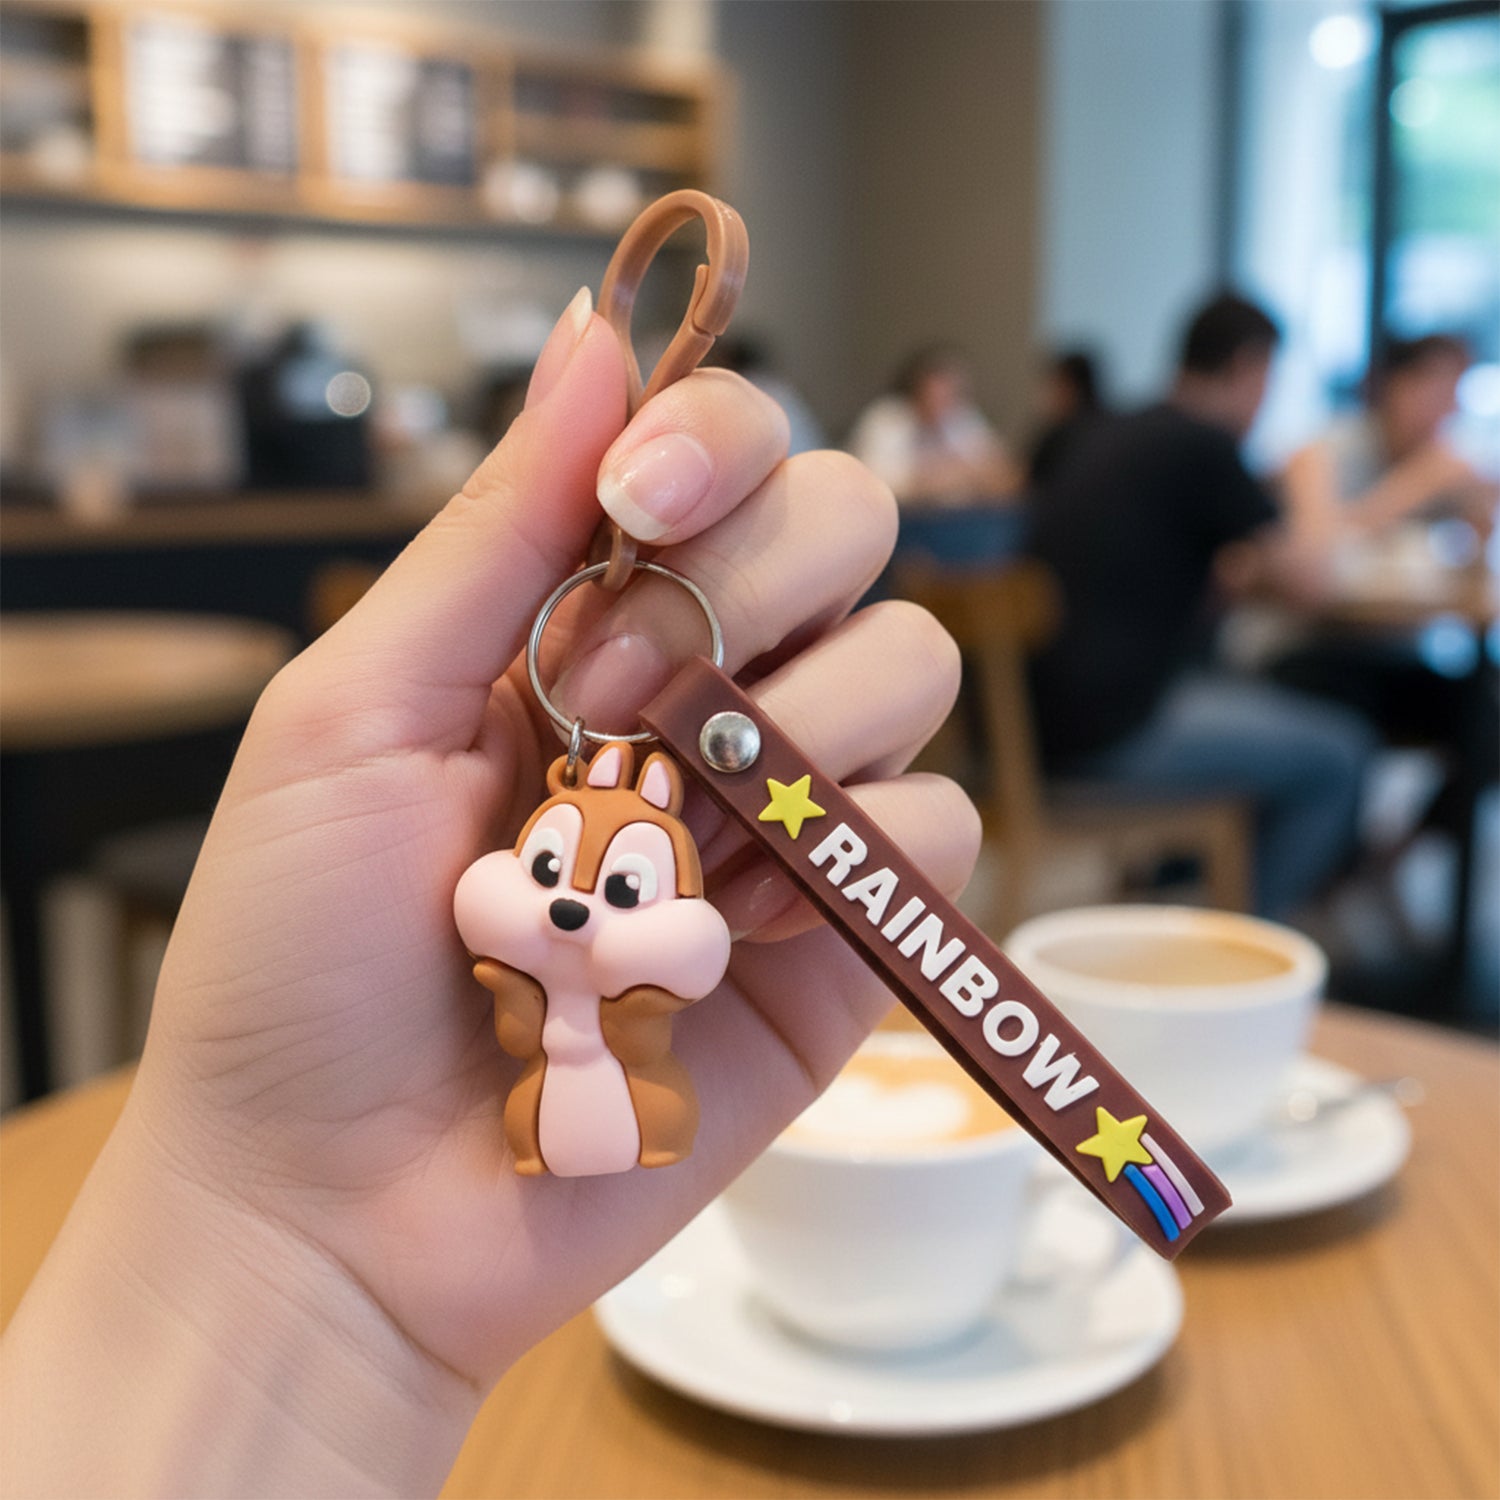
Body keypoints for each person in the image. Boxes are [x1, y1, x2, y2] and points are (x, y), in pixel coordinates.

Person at [0, 289, 977, 1496]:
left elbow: (658, 948)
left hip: (618, 1083)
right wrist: (272, 1245)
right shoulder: (518, 931)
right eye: (552, 872)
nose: (562, 902)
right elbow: (524, 933)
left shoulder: (663, 942)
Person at [1025, 292, 1377, 920]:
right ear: (1249, 366)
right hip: (1112, 732)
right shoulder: (1204, 445)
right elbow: (1314, 584)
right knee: (1339, 752)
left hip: (1038, 722)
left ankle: (1194, 903)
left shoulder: (1118, 428)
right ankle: (1246, 943)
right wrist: (1310, 473)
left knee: (1258, 695)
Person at [1279, 334, 1496, 547]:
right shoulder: (1322, 452)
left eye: (1455, 392)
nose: (1450, 407)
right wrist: (1421, 482)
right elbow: (1316, 544)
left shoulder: (1448, 463)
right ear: (1393, 387)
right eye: (1439, 390)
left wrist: (1479, 514)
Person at [847, 344, 1020, 506]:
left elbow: (1004, 478)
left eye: (953, 391)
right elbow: (878, 488)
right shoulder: (887, 418)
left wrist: (951, 475)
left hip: (959, 519)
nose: (942, 399)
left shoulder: (963, 417)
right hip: (903, 519)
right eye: (935, 390)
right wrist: (955, 475)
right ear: (916, 388)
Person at [1026, 347, 1106, 490]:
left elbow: (1024, 485)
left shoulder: (1061, 437)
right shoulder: (1105, 430)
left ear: (1068, 387)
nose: (1047, 395)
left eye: (1053, 386)